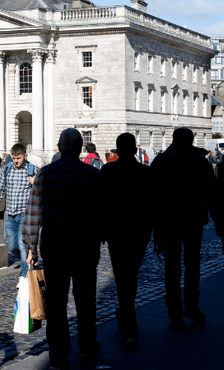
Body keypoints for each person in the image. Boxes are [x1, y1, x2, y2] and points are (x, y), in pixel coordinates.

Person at [23, 128, 103, 370]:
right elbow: (101, 212)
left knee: (56, 304)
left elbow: (32, 214)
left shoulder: (45, 174)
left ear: (59, 146)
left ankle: (58, 355)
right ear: (79, 148)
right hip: (84, 244)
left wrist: (31, 248)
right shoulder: (91, 174)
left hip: (55, 244)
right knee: (86, 301)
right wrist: (100, 239)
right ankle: (87, 349)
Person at [151, 127, 215, 331]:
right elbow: (212, 191)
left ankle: (175, 314)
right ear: (191, 140)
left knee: (172, 269)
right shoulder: (199, 161)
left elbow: (151, 196)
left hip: (168, 220)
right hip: (193, 219)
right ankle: (192, 307)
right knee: (192, 264)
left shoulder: (161, 161)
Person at [100, 133, 154, 350]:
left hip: (117, 232)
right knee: (129, 275)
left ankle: (130, 329)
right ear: (134, 150)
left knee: (124, 278)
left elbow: (102, 203)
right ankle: (125, 315)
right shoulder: (146, 172)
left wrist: (102, 230)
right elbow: (152, 205)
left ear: (117, 150)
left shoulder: (108, 171)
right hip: (140, 232)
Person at [0, 143, 39, 277]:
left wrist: (36, 182)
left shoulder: (33, 170)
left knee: (22, 244)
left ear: (25, 156)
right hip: (10, 215)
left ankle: (25, 274)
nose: (16, 161)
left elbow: (44, 189)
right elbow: (0, 188)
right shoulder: (7, 169)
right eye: (13, 158)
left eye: (18, 158)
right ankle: (30, 260)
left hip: (25, 215)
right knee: (12, 247)